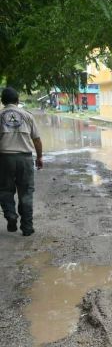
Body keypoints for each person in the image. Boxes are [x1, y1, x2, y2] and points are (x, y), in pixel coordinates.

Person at [0, 87, 43, 236]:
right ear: (17, 100)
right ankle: (27, 227)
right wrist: (39, 157)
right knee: (26, 193)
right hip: (25, 158)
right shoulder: (27, 115)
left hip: (4, 158)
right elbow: (36, 139)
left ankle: (11, 214)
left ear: (2, 101)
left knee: (5, 190)